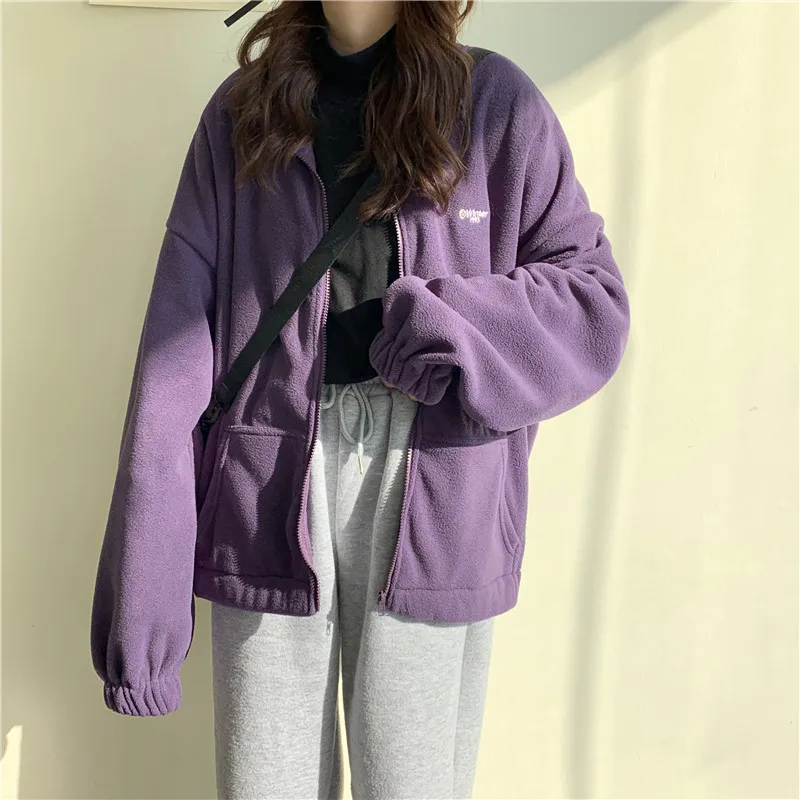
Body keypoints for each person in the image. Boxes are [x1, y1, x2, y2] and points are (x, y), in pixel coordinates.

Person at [90, 1, 630, 798]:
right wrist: (143, 608)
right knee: (264, 784)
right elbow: (174, 356)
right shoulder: (242, 115)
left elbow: (592, 304)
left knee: (412, 784)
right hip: (269, 480)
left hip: (436, 481)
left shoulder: (494, 104)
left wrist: (453, 324)